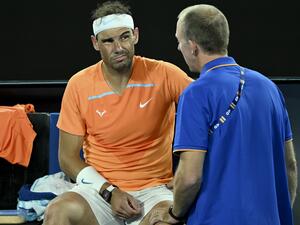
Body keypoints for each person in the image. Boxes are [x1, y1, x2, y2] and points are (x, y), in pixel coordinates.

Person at [42, 1, 192, 225]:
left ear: (136, 36)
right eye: (108, 41)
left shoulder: (166, 74)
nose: (119, 47)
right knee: (57, 212)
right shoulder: (79, 85)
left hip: (154, 190)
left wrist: (189, 170)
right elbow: (67, 158)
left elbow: (211, 114)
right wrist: (109, 192)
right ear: (95, 43)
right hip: (99, 192)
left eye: (124, 37)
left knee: (165, 221)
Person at [150, 4, 298, 225]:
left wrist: (173, 214)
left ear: (193, 47)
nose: (179, 48)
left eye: (179, 41)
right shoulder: (270, 88)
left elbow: (190, 177)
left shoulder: (196, 93)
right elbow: (290, 167)